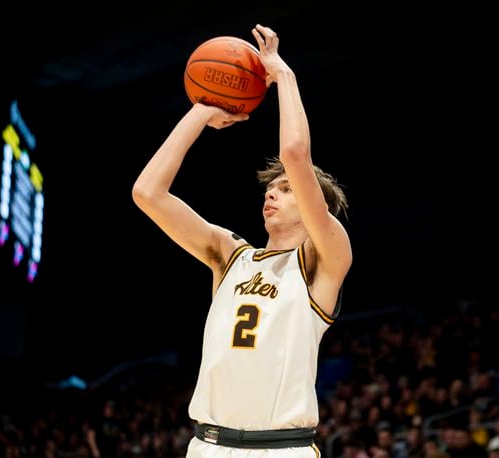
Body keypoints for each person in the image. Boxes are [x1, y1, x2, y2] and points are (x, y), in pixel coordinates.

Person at [131, 24, 352, 457]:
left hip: (281, 449)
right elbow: (148, 193)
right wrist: (202, 109)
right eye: (272, 188)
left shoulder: (322, 259)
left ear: (314, 210)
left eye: (288, 189)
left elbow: (294, 153)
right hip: (208, 445)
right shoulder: (231, 256)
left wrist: (282, 75)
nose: (272, 192)